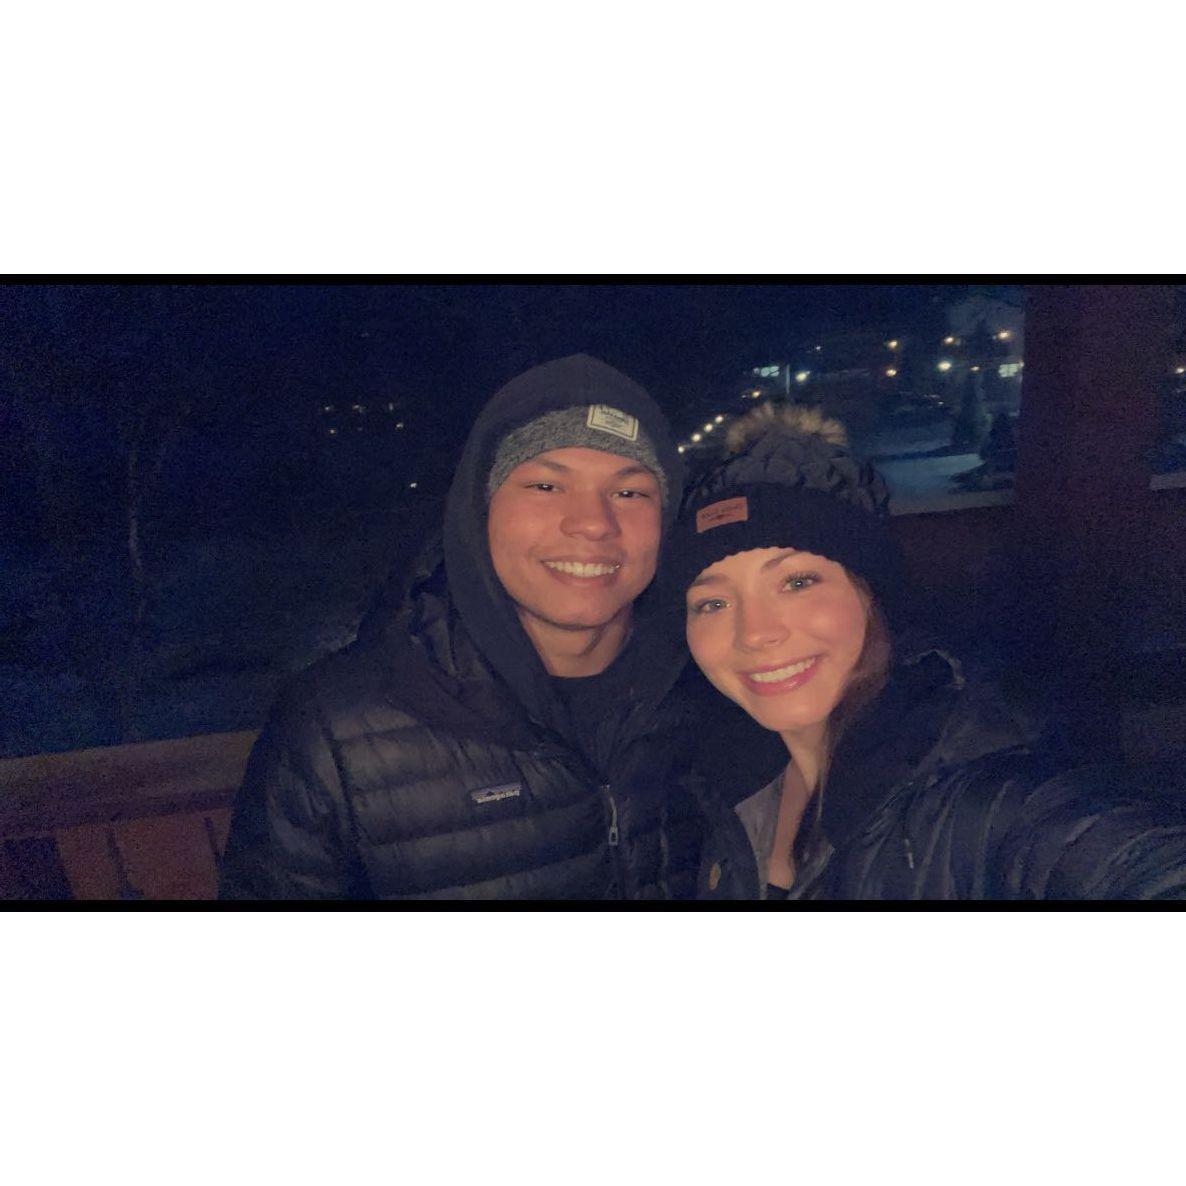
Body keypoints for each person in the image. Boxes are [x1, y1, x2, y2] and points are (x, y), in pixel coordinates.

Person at [219, 354, 701, 900]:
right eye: (546, 486)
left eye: (630, 492)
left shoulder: (713, 691)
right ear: (480, 510)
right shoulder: (335, 732)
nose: (593, 523)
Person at [667, 402, 1186, 901]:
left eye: (798, 582)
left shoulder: (984, 790)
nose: (755, 632)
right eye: (713, 602)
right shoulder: (731, 780)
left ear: (872, 594)